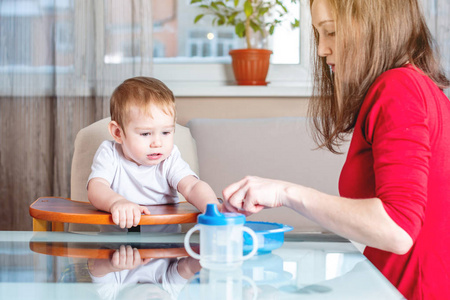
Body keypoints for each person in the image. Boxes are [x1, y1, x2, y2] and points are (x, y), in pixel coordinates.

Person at [222, 0, 450, 299]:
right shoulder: (421, 87)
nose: (321, 49)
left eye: (331, 32)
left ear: (373, 27)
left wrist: (285, 193)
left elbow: (398, 230)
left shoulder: (398, 88)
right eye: (318, 34)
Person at [87, 76, 220, 232]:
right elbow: (96, 187)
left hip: (165, 248)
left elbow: (192, 186)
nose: (157, 143)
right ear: (118, 133)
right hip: (115, 247)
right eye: (145, 134)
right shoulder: (109, 153)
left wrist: (214, 209)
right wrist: (116, 202)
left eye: (165, 132)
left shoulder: (169, 159)